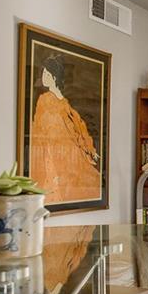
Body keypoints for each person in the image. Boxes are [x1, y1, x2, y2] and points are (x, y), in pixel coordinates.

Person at [30, 54, 101, 204]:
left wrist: (89, 149)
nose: (43, 77)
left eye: (46, 74)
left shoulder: (64, 104)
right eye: (43, 73)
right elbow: (38, 131)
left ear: (54, 77)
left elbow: (79, 127)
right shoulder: (44, 99)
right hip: (52, 153)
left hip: (68, 154)